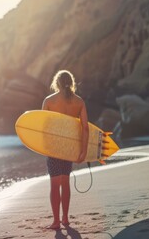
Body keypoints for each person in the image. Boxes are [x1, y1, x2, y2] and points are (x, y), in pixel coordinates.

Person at [41, 70, 89, 229]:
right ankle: (65, 219)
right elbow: (85, 129)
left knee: (55, 184)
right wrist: (83, 151)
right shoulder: (79, 102)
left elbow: (43, 127)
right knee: (65, 182)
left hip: (54, 148)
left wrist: (43, 147)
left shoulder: (48, 101)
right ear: (71, 83)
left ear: (56, 83)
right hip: (69, 147)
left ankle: (56, 222)